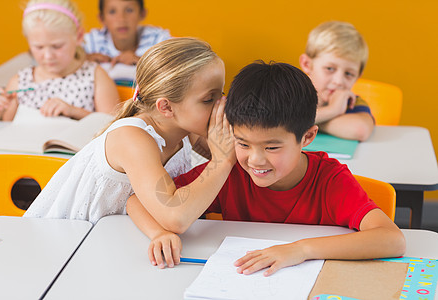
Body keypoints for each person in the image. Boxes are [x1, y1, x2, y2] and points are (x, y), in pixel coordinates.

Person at [128, 61, 405, 274]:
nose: (255, 160)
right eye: (243, 143)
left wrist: (301, 250)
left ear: (307, 137)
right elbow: (137, 201)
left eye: (272, 147)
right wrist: (160, 233)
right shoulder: (229, 172)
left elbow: (392, 239)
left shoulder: (329, 180)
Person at [24, 38, 236, 244]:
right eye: (209, 99)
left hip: (122, 241)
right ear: (167, 107)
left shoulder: (187, 129)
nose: (221, 106)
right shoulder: (133, 139)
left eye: (223, 94)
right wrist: (221, 161)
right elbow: (176, 217)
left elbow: (243, 159)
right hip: (64, 244)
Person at [0, 0, 119, 121]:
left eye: (57, 46)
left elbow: (112, 125)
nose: (48, 56)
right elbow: (7, 128)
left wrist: (74, 111)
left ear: (78, 36)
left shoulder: (95, 76)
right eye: (38, 47)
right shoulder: (20, 82)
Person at [299, 21, 374, 141]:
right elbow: (271, 121)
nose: (338, 81)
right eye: (330, 69)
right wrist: (332, 110)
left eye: (349, 74)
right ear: (307, 64)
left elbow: (361, 130)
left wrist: (300, 123)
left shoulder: (351, 102)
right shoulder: (290, 94)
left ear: (358, 77)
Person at [84, 0, 171, 66]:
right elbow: (71, 58)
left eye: (129, 10)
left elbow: (180, 63)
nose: (121, 19)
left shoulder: (157, 39)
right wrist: (83, 60)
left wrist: (141, 62)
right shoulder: (91, 42)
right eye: (112, 12)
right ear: (102, 18)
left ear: (142, 13)